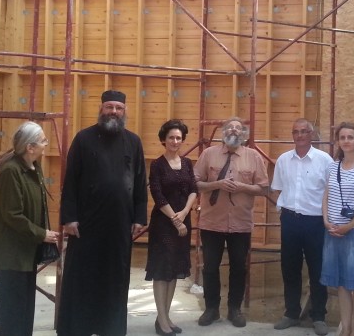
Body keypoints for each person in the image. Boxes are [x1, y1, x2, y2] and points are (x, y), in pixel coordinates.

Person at [57, 90, 148, 336]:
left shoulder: (133, 141)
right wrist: (69, 217)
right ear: (101, 109)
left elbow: (140, 181)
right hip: (86, 224)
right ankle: (78, 329)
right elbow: (71, 180)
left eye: (118, 108)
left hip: (119, 224)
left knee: (114, 278)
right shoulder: (83, 138)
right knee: (82, 277)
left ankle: (110, 329)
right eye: (109, 107)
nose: (114, 112)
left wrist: (140, 217)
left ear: (124, 111)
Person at [0, 121, 60, 336]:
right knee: (12, 310)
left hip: (27, 250)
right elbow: (12, 215)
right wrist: (42, 234)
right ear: (30, 147)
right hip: (11, 253)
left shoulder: (33, 167)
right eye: (43, 141)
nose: (46, 144)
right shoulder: (10, 172)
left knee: (24, 308)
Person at [194, 117, 269, 328]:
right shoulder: (208, 154)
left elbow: (264, 188)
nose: (233, 130)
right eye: (229, 128)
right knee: (210, 268)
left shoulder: (253, 157)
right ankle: (211, 309)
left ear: (244, 134)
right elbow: (195, 183)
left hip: (240, 224)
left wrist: (242, 187)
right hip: (212, 223)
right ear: (223, 132)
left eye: (238, 128)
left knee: (238, 267)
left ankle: (234, 309)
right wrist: (217, 184)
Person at [270, 118, 334, 335]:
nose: (299, 135)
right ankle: (291, 313)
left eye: (304, 131)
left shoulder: (324, 160)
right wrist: (285, 210)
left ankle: (319, 316)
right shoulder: (283, 160)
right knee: (289, 268)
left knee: (318, 269)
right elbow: (278, 188)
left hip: (315, 222)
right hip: (290, 221)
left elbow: (331, 192)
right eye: (295, 132)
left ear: (312, 134)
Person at [321, 122, 354, 336]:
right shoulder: (333, 166)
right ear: (338, 141)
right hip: (333, 232)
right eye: (342, 137)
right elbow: (326, 196)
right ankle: (345, 328)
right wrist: (326, 221)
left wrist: (349, 226)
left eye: (350, 137)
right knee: (341, 285)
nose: (346, 141)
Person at [146, 119, 198, 336]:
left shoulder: (187, 163)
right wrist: (176, 220)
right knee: (161, 271)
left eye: (178, 138)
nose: (175, 141)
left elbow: (194, 189)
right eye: (171, 137)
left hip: (183, 222)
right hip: (163, 225)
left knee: (175, 269)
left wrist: (184, 213)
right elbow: (157, 195)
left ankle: (165, 317)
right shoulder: (157, 165)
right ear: (163, 140)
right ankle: (162, 319)